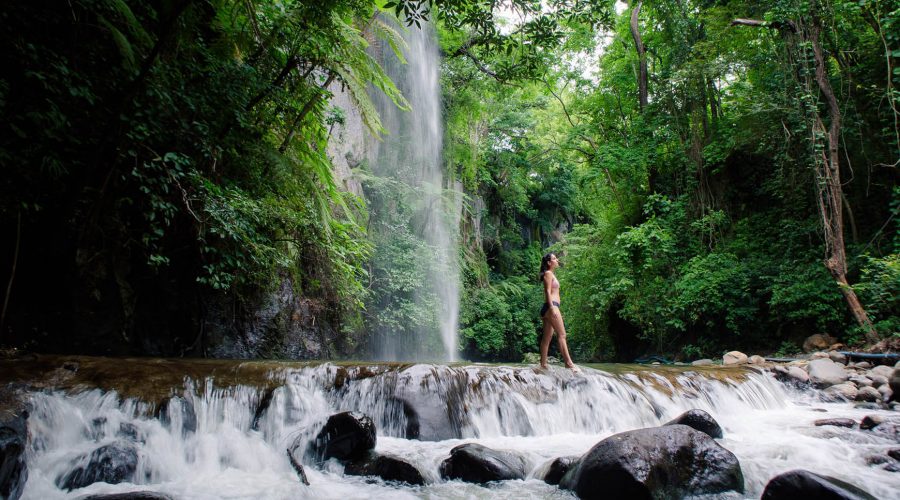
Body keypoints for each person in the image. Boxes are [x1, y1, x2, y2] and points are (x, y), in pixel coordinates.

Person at [538, 253, 578, 371]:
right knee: (562, 335)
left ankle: (543, 365)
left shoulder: (550, 274)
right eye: (554, 258)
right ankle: (569, 364)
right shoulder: (548, 273)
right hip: (551, 307)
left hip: (550, 307)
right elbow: (547, 292)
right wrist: (552, 308)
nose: (557, 260)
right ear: (549, 263)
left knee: (547, 338)